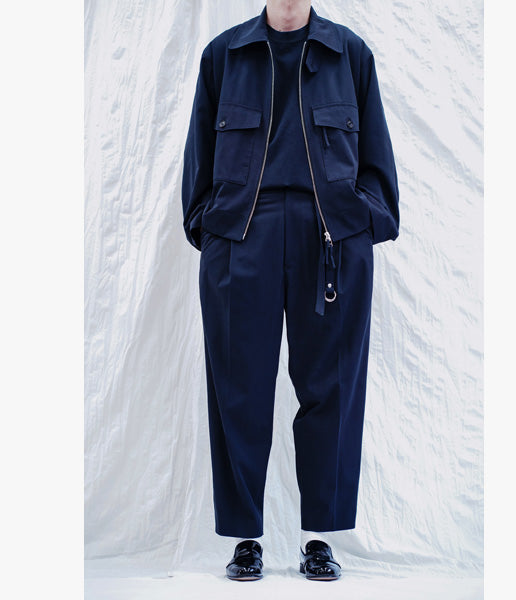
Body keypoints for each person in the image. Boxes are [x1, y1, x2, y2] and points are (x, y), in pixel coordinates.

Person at [181, 0, 399, 582]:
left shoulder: (349, 54)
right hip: (240, 240)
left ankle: (318, 538)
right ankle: (245, 539)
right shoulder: (223, 56)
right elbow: (198, 162)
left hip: (329, 241)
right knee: (238, 388)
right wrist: (210, 228)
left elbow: (377, 163)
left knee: (332, 386)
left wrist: (359, 223)